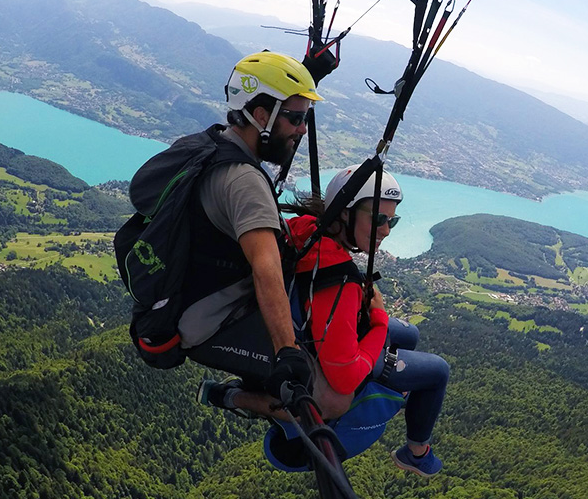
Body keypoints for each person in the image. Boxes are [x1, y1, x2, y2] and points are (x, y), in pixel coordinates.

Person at [201, 166, 451, 477]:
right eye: (378, 220)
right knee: (438, 371)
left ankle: (231, 396)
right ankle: (416, 452)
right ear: (345, 214)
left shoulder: (308, 230)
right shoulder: (340, 282)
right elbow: (344, 378)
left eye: (392, 221)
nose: (386, 230)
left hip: (300, 325)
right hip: (316, 356)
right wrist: (378, 322)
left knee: (409, 334)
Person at [173, 50, 322, 401]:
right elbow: (265, 267)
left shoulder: (211, 144)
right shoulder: (244, 181)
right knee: (322, 387)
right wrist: (287, 350)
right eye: (296, 118)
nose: (302, 130)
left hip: (189, 297)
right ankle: (230, 397)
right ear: (261, 116)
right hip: (207, 322)